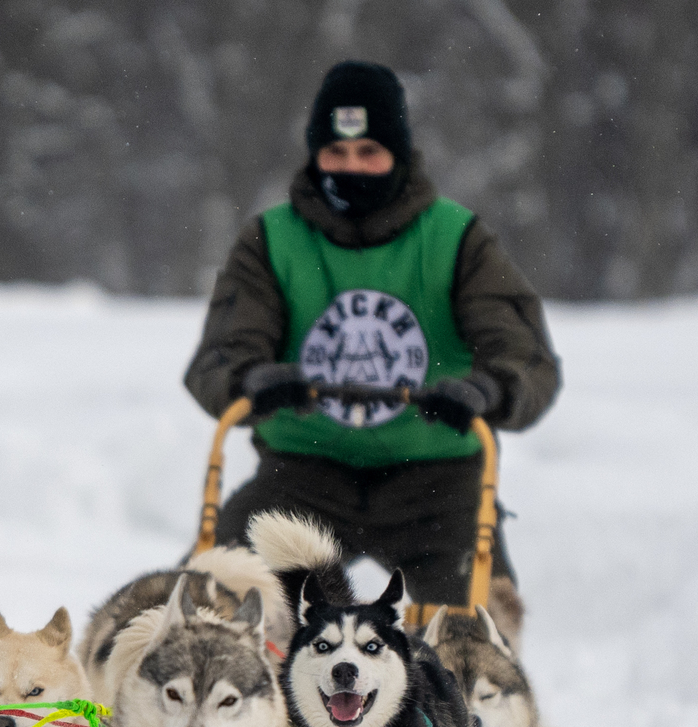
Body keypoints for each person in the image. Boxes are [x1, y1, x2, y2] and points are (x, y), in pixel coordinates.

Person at [185, 60, 560, 638]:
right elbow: (218, 358)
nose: (352, 169)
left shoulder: (456, 240)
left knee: (478, 640)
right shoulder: (272, 242)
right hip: (302, 477)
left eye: (370, 155)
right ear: (315, 155)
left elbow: (526, 356)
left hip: (437, 482)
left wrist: (487, 388)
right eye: (336, 155)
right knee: (215, 609)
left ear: (400, 157)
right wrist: (252, 379)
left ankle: (466, 720)